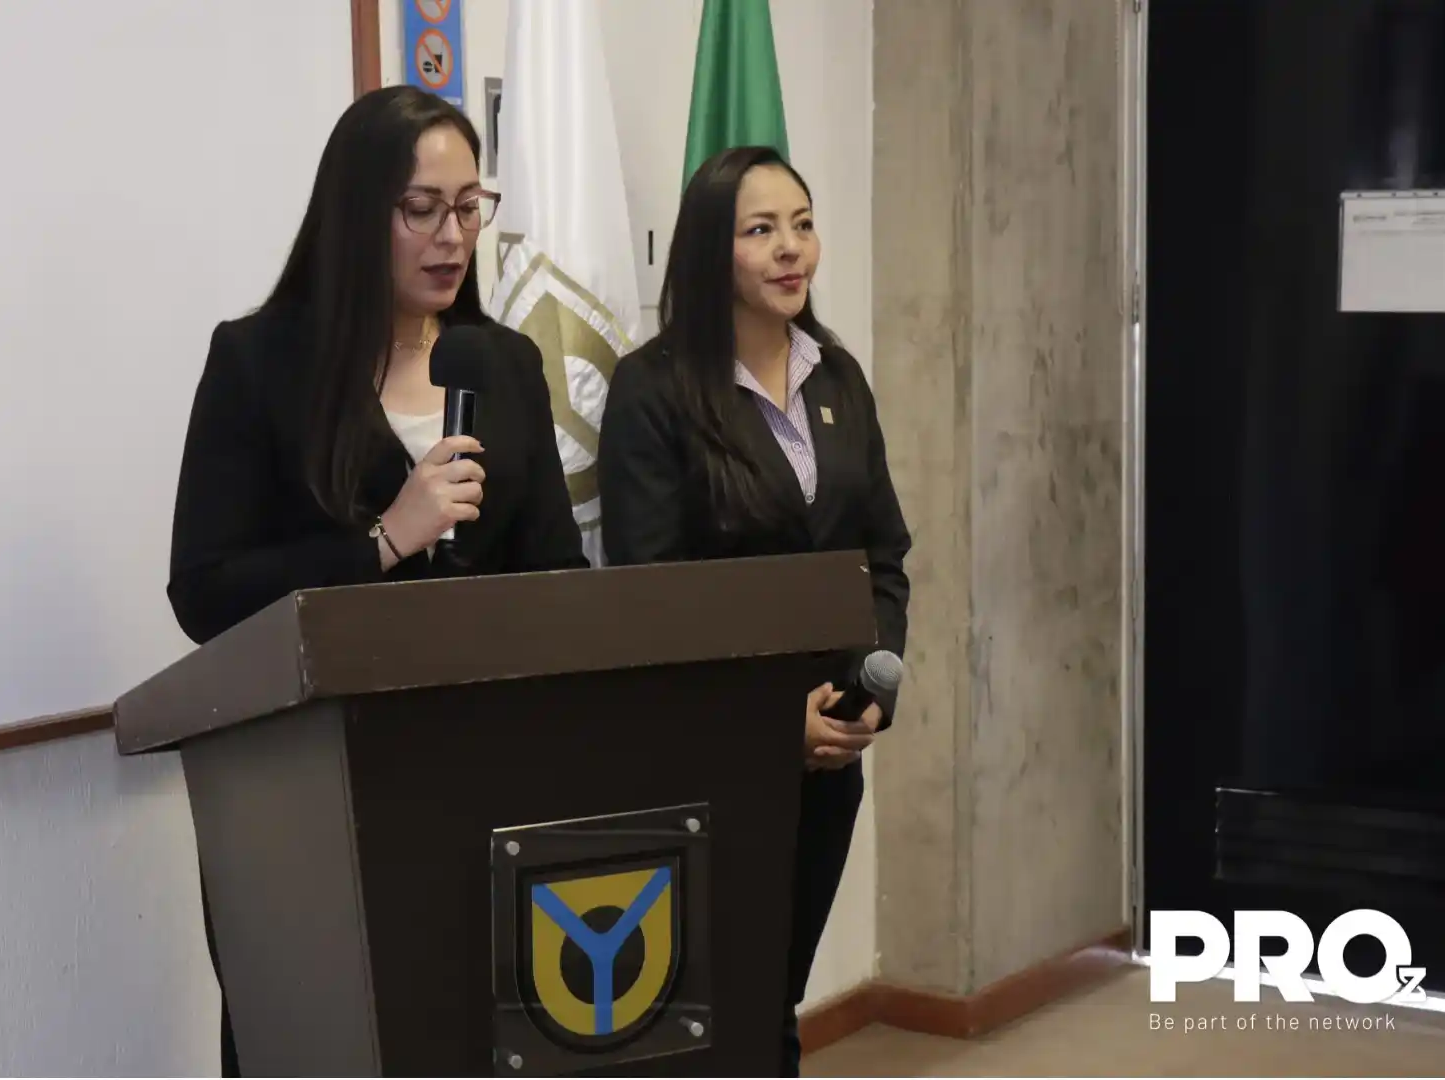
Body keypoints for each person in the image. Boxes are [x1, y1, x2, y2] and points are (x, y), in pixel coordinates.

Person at [165, 85, 588, 1074]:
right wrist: (382, 543)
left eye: (470, 207)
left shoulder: (504, 364)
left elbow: (557, 576)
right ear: (358, 215)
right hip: (305, 789)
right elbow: (204, 591)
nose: (454, 236)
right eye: (421, 210)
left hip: (479, 781)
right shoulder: (260, 363)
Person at [595, 145, 911, 1076]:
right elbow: (652, 594)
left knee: (774, 999)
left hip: (828, 755)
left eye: (802, 225)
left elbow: (883, 558)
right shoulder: (654, 389)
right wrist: (774, 720)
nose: (791, 248)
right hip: (708, 752)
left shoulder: (837, 378)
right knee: (710, 1015)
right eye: (761, 229)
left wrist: (872, 694)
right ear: (709, 249)